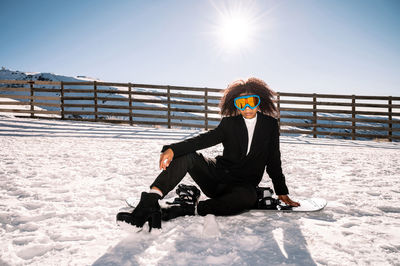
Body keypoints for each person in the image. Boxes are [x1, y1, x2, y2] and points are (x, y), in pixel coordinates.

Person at [117, 77, 299, 230]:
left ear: (259, 101)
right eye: (241, 103)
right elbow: (204, 140)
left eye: (251, 101)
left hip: (242, 186)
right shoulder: (229, 123)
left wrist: (281, 191)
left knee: (247, 198)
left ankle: (192, 208)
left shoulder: (270, 125)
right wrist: (173, 149)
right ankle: (149, 203)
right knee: (187, 156)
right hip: (216, 177)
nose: (247, 107)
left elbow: (273, 160)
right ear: (235, 104)